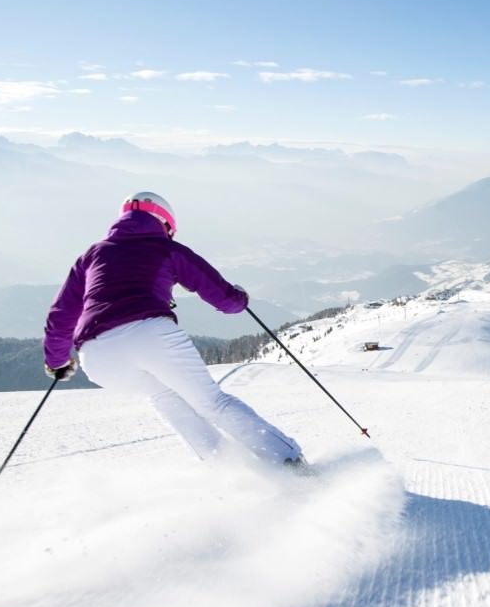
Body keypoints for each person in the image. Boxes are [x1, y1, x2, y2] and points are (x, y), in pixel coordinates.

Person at [43, 191, 304, 465]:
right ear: (164, 223)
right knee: (212, 403)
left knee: (164, 396)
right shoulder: (166, 248)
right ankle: (289, 462)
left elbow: (61, 314)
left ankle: (230, 470)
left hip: (96, 356)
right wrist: (239, 299)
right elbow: (222, 296)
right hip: (149, 334)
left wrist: (57, 361)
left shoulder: (93, 254)